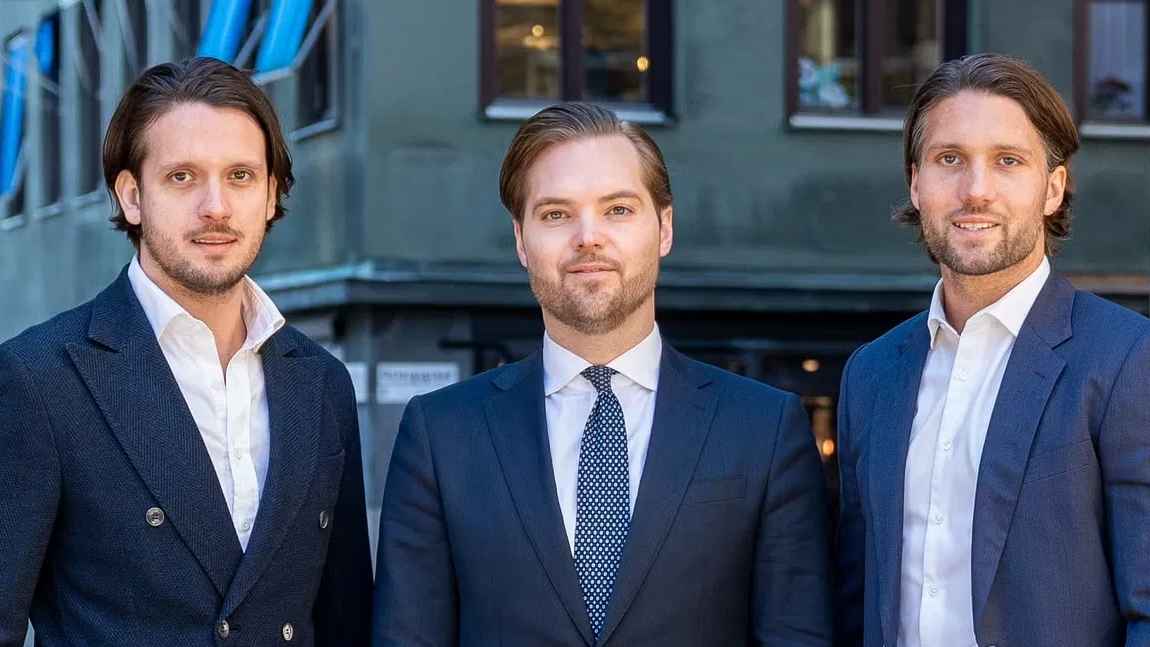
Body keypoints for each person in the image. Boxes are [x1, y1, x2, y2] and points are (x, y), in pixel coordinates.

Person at [373, 103, 832, 646]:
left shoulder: (764, 429)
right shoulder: (440, 434)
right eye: (556, 214)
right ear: (521, 241)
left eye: (617, 209)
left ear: (664, 228)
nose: (588, 237)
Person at [0, 57, 371, 646]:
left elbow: (345, 620)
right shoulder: (39, 378)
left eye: (241, 176)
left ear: (271, 194)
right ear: (132, 196)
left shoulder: (322, 382)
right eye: (182, 177)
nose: (215, 206)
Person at [836, 53, 1150, 647]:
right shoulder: (870, 374)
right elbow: (855, 601)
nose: (975, 191)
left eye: (1008, 161)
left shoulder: (1128, 360)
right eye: (949, 159)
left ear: (1052, 188)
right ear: (916, 183)